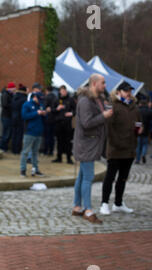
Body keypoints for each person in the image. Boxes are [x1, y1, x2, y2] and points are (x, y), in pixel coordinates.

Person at [72, 74, 113, 224]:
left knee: (82, 177)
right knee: (88, 178)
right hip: (86, 145)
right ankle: (88, 210)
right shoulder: (85, 101)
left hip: (91, 144)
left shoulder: (98, 99)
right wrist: (104, 115)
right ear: (94, 83)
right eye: (103, 83)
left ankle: (77, 207)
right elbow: (87, 123)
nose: (105, 85)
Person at [99, 81, 142, 216]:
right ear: (118, 92)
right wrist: (116, 143)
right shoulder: (113, 105)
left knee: (123, 178)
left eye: (130, 90)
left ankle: (118, 203)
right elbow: (109, 127)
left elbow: (139, 122)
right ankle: (104, 203)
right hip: (115, 148)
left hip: (130, 148)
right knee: (110, 177)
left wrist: (140, 129)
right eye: (125, 90)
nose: (128, 93)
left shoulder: (134, 106)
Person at [19, 92, 46, 177]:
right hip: (29, 132)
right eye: (39, 99)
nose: (40, 101)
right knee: (25, 152)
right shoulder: (27, 104)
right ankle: (23, 170)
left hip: (38, 132)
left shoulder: (41, 104)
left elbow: (44, 118)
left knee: (35, 152)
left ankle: (35, 169)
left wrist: (44, 114)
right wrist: (36, 113)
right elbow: (24, 116)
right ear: (34, 97)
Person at [52, 85, 76, 164]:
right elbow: (52, 110)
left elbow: (75, 110)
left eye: (64, 91)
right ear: (59, 91)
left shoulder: (70, 100)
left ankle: (69, 158)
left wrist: (71, 113)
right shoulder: (56, 100)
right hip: (58, 123)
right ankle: (59, 158)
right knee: (59, 141)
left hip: (67, 124)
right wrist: (57, 109)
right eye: (62, 91)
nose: (63, 92)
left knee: (68, 142)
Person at [135, 99, 152, 164]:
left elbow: (136, 121)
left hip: (139, 130)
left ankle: (137, 160)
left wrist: (137, 129)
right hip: (146, 130)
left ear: (140, 104)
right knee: (145, 145)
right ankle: (143, 154)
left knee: (138, 146)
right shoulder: (149, 111)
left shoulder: (138, 111)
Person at [11, 84, 28, 154]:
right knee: (19, 134)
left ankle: (13, 149)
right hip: (20, 118)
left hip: (13, 117)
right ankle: (17, 149)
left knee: (14, 133)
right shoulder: (24, 98)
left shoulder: (14, 97)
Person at [0, 82, 16, 152]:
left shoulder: (10, 94)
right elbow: (5, 105)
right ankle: (2, 147)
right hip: (6, 116)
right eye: (13, 88)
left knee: (8, 133)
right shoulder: (5, 95)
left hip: (8, 116)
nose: (14, 90)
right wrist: (13, 105)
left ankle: (4, 147)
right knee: (6, 132)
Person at [43, 86, 57, 156]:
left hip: (47, 118)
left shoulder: (46, 97)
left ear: (47, 90)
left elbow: (44, 107)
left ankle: (46, 150)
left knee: (47, 136)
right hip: (54, 119)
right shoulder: (55, 97)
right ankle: (51, 151)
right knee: (52, 136)